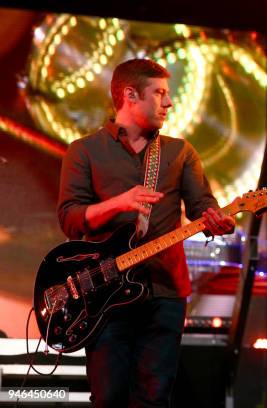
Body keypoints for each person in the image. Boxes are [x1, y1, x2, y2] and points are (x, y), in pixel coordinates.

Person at [57, 58, 235, 407]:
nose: (169, 103)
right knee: (108, 398)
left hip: (164, 291)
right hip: (104, 293)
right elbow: (70, 218)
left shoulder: (180, 151)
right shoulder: (85, 150)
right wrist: (118, 203)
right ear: (130, 95)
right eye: (161, 93)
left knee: (154, 399)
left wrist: (219, 220)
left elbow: (203, 207)